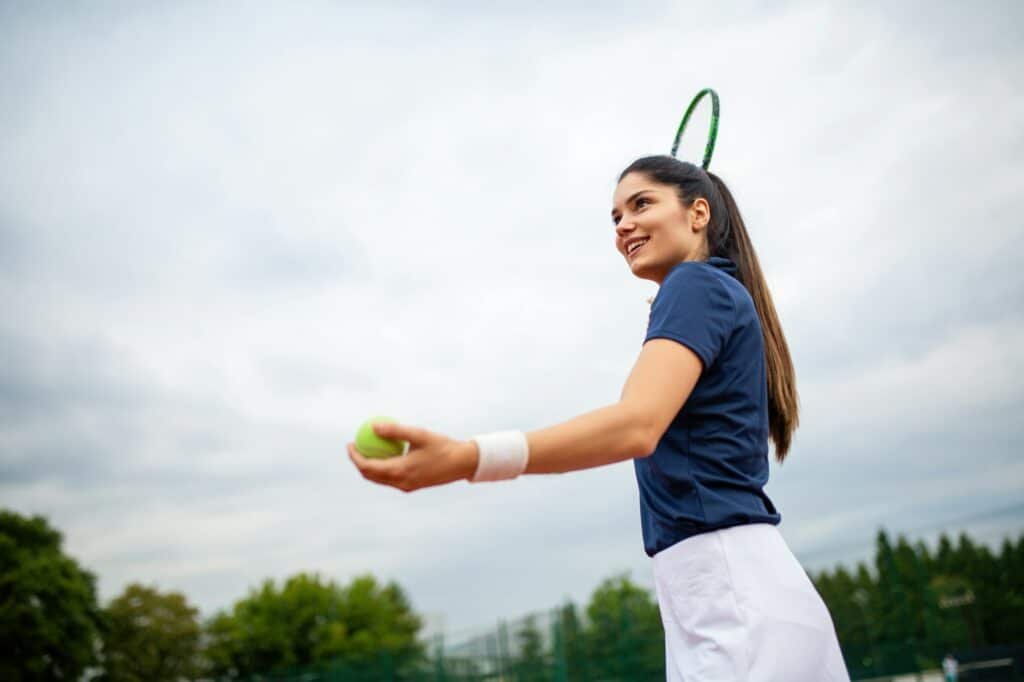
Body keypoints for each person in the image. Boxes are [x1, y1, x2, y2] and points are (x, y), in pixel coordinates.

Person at [348, 155, 849, 681]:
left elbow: (636, 425)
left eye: (641, 204)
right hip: (727, 592)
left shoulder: (695, 286)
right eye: (615, 217)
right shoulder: (706, 292)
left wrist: (470, 459)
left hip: (733, 593)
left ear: (698, 213)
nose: (624, 225)